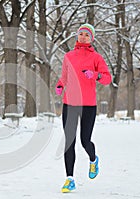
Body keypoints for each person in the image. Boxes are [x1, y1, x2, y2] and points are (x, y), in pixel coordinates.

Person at [55, 23, 112, 193]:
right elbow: (64, 77)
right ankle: (69, 179)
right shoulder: (69, 56)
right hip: (69, 104)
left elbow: (107, 78)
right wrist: (59, 85)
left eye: (87, 35)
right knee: (69, 142)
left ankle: (93, 160)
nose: (83, 37)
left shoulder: (97, 58)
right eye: (81, 34)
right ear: (77, 36)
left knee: (85, 141)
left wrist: (95, 75)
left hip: (88, 105)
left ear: (91, 38)